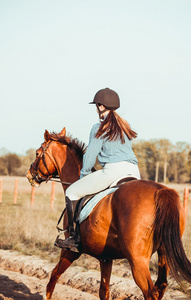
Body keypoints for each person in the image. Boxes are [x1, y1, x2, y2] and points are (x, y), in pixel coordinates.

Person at [55, 87, 141, 251]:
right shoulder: (125, 125)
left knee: (71, 192)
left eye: (97, 105)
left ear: (101, 106)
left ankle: (73, 238)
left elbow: (90, 156)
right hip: (133, 172)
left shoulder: (98, 127)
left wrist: (84, 175)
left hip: (112, 171)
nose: (96, 109)